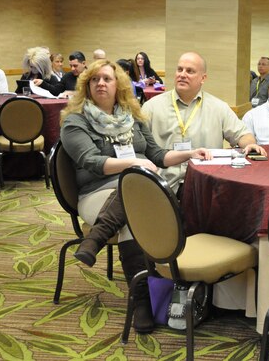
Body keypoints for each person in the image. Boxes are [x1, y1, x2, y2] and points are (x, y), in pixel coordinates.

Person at [60, 59, 211, 333]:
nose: (101, 83)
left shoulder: (132, 116)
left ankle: (96, 240)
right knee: (134, 202)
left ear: (118, 84)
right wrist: (133, 165)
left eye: (107, 78)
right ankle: (142, 299)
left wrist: (190, 153)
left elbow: (157, 155)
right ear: (87, 86)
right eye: (94, 79)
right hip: (97, 193)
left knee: (138, 198)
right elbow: (92, 161)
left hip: (139, 190)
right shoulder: (75, 121)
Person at [142, 52, 267, 193]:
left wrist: (250, 144)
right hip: (163, 186)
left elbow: (243, 135)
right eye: (179, 69)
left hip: (205, 187)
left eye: (190, 71)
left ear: (203, 78)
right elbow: (139, 148)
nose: (182, 75)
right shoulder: (151, 107)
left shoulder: (218, 107)